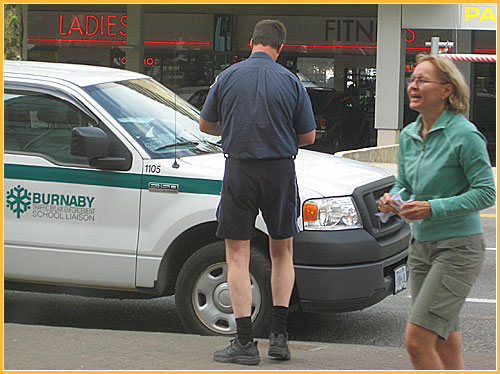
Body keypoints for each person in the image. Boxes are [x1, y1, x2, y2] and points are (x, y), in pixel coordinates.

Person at [199, 19, 316, 365]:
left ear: (251, 42)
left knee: (238, 255)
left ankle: (245, 342)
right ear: (280, 47)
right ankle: (279, 338)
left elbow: (206, 125)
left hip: (239, 169)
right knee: (283, 251)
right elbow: (308, 136)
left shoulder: (228, 77)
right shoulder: (292, 82)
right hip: (280, 170)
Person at [378, 53, 495, 370]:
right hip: (420, 248)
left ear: (447, 90)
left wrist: (433, 208)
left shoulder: (464, 134)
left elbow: (487, 192)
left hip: (457, 249)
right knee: (444, 340)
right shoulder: (408, 135)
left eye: (422, 80)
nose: (413, 86)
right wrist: (393, 200)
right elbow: (405, 184)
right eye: (412, 79)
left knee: (417, 341)